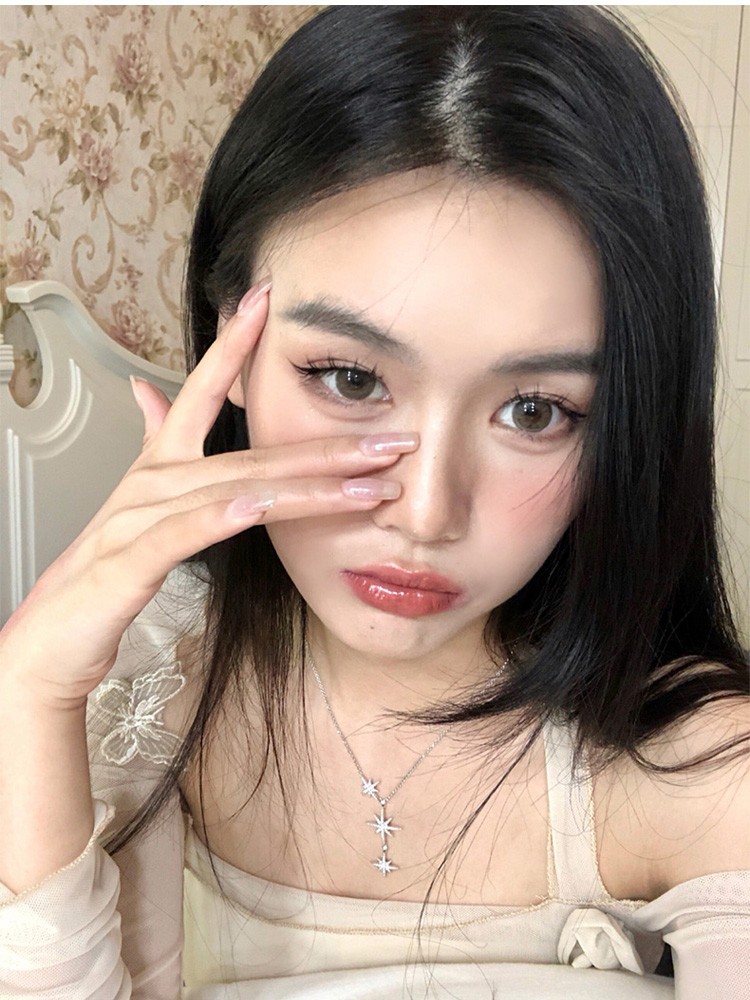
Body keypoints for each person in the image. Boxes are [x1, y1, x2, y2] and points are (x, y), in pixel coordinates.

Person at [0, 6, 748, 998]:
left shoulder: (690, 761)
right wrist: (28, 692)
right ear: (231, 348)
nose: (427, 513)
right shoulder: (129, 701)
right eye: (351, 379)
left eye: (534, 410)